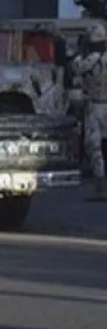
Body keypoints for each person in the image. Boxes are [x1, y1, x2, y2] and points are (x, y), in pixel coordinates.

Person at [71, 22, 107, 200]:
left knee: (93, 147)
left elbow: (76, 68)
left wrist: (78, 53)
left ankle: (100, 187)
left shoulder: (91, 59)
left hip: (96, 106)